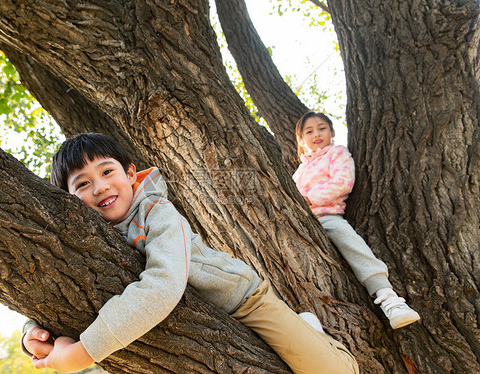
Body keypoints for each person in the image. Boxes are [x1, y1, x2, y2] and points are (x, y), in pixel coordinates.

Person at [21, 133, 359, 374]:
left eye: (107, 171)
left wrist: (82, 353)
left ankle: (313, 332)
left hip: (243, 301)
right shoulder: (86, 234)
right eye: (81, 183)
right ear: (69, 199)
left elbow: (165, 282)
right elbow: (56, 277)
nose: (100, 187)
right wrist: (32, 333)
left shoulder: (157, 210)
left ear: (130, 174)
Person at [293, 111, 421, 330]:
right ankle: (309, 318)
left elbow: (342, 182)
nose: (316, 134)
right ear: (301, 139)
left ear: (332, 132)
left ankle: (389, 298)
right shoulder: (300, 170)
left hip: (326, 215)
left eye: (322, 128)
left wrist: (308, 199)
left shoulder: (336, 153)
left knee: (350, 242)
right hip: (301, 222)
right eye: (309, 131)